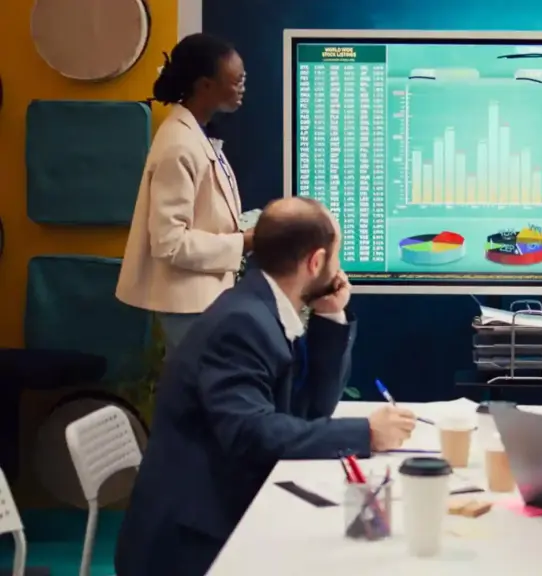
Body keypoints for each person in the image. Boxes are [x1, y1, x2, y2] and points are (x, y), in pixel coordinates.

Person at [114, 197, 418, 576]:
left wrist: (330, 315)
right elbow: (250, 432)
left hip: (218, 511)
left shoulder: (260, 306)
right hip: (189, 543)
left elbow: (307, 412)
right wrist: (366, 433)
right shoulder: (242, 323)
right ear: (316, 262)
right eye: (336, 257)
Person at [116, 33, 251, 356]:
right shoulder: (179, 145)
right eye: (237, 79)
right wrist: (244, 242)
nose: (243, 86)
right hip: (189, 307)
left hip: (203, 302)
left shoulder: (195, 135)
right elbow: (169, 242)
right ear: (205, 85)